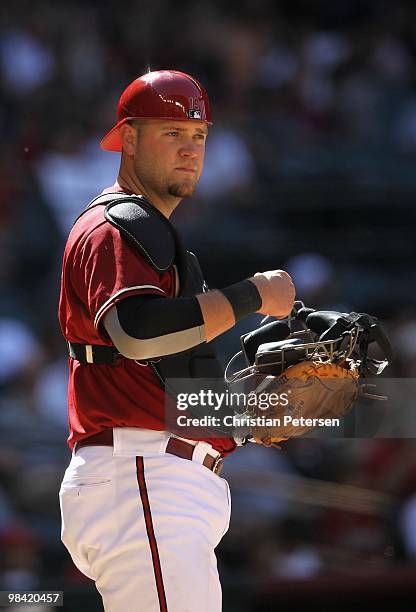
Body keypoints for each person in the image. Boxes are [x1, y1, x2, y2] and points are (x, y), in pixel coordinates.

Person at [58, 69, 295, 612]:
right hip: (144, 478)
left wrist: (249, 412)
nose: (190, 149)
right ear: (130, 138)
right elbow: (137, 333)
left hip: (157, 482)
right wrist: (253, 294)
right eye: (172, 133)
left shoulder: (153, 238)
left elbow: (156, 366)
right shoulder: (118, 224)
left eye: (199, 136)